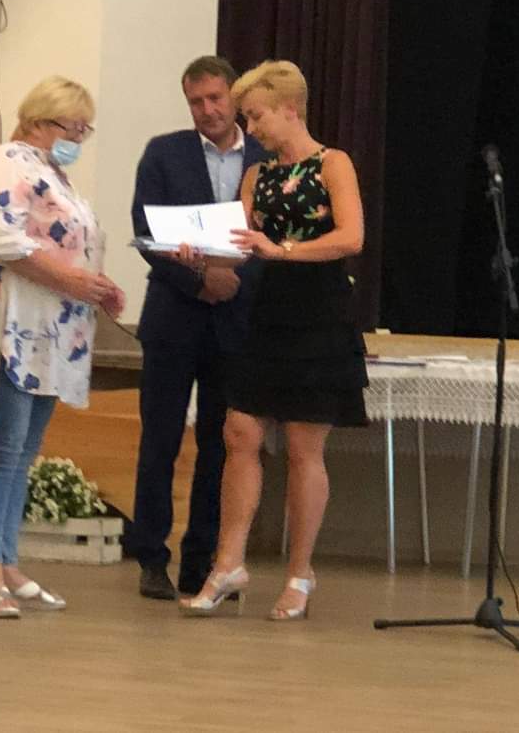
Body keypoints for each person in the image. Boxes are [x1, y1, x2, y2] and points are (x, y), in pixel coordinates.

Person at [177, 60, 368, 621]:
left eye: (257, 116)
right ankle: (228, 563)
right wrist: (196, 253)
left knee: (305, 447)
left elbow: (351, 238)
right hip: (268, 315)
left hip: (320, 316)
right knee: (239, 431)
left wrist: (281, 249)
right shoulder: (257, 176)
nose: (251, 127)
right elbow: (237, 247)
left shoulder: (332, 163)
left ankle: (300, 573)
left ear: (290, 109)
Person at [0, 76, 126, 619]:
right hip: (14, 326)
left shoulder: (54, 174)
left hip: (54, 334)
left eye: (84, 130)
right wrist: (72, 280)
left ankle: (7, 560)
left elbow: (70, 246)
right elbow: (0, 239)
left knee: (25, 452)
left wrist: (95, 284)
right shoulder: (7, 161)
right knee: (3, 447)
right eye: (71, 127)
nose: (78, 138)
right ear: (37, 121)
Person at [128, 56, 268, 600]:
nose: (207, 110)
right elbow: (147, 233)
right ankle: (150, 558)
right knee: (159, 441)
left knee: (222, 445)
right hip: (173, 316)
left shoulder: (264, 156)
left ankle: (202, 562)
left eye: (215, 98)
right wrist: (199, 280)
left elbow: (276, 236)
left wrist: (231, 280)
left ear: (234, 97)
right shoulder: (164, 153)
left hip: (236, 320)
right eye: (196, 101)